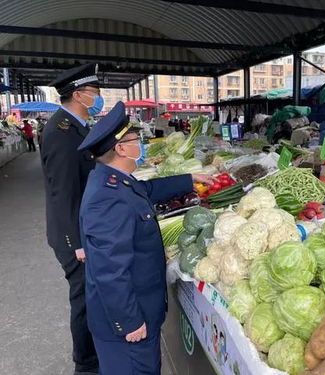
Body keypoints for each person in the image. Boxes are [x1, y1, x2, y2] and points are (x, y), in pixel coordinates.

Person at [78, 101, 214, 374]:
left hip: (140, 310)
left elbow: (146, 189)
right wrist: (128, 322)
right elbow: (109, 271)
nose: (140, 143)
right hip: (128, 323)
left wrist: (189, 179)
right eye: (134, 139)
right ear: (120, 149)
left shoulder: (116, 181)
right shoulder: (107, 199)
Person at [40, 63, 103, 375]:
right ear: (79, 94)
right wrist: (75, 242)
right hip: (73, 235)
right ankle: (86, 365)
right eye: (95, 93)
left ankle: (91, 356)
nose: (98, 98)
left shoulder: (76, 125)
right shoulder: (61, 132)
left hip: (80, 228)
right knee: (83, 298)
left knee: (88, 295)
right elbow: (62, 192)